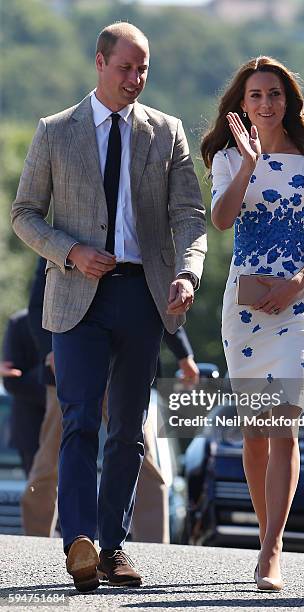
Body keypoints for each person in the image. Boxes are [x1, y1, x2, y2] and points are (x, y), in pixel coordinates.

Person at [11, 22, 206, 592]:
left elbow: (189, 216)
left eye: (144, 69)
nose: (136, 79)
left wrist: (189, 272)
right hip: (75, 296)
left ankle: (114, 546)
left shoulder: (165, 132)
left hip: (142, 297)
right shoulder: (55, 132)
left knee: (127, 430)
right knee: (78, 421)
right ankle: (79, 541)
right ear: (99, 62)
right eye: (126, 68)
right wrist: (69, 250)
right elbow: (24, 213)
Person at [201, 56, 304, 590]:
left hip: (299, 306)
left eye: (275, 94)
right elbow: (222, 219)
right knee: (254, 436)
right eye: (256, 94)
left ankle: (271, 549)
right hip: (245, 311)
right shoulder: (226, 156)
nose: (266, 103)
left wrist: (298, 282)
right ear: (242, 103)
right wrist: (248, 165)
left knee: (284, 427)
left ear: (289, 101)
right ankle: (266, 536)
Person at [23, 257, 199, 543]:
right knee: (51, 457)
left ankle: (155, 542)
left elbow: (159, 297)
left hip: (121, 369)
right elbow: (36, 305)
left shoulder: (136, 236)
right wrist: (49, 351)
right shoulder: (68, 235)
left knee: (140, 452)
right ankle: (35, 537)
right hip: (68, 369)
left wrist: (184, 354)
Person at [2, 310, 46, 476]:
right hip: (31, 432)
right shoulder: (20, 323)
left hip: (71, 429)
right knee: (39, 492)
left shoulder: (77, 319)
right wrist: (50, 383)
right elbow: (12, 380)